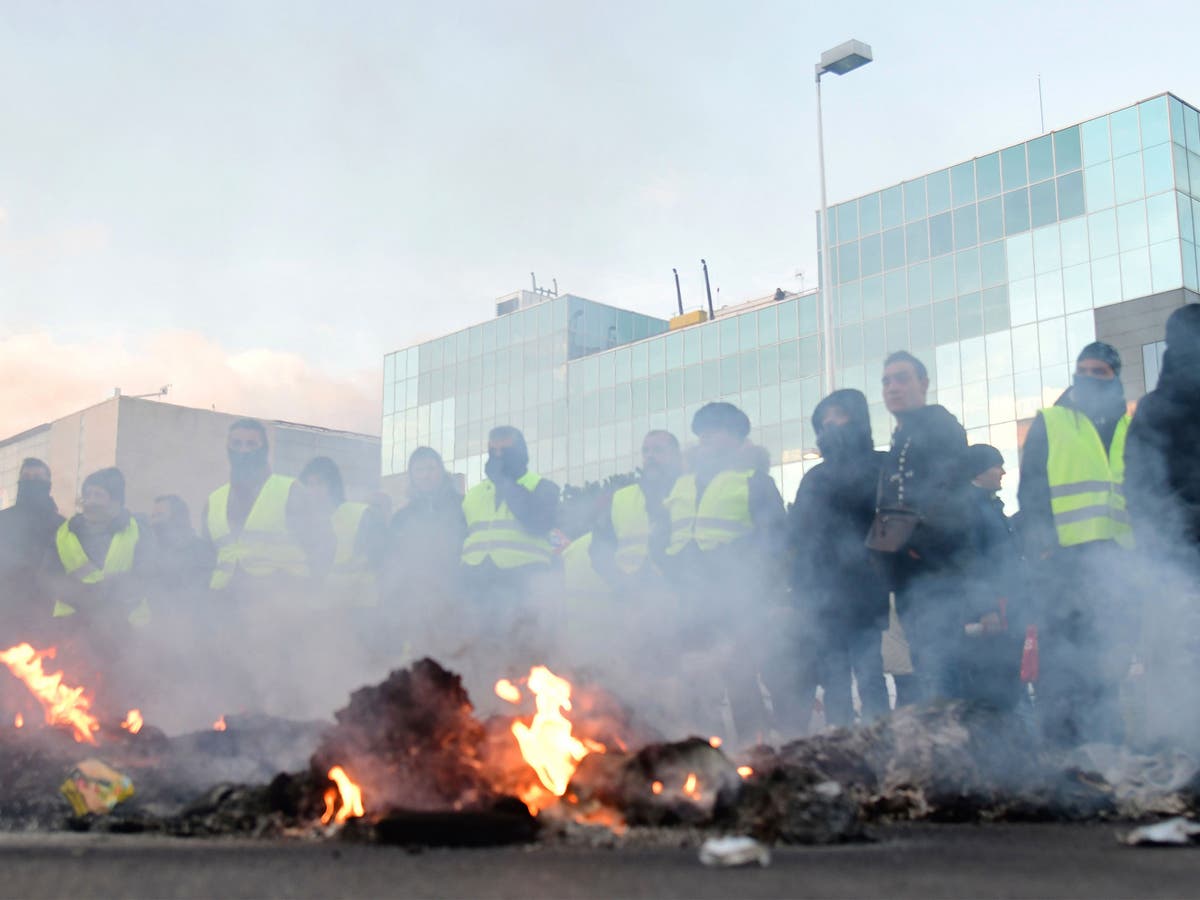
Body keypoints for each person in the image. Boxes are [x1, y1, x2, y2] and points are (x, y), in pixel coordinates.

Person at [1017, 342, 1134, 747]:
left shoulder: (1129, 426)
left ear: (1115, 377)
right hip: (1063, 564)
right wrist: (1043, 552)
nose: (1088, 378)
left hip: (1117, 562)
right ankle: (1061, 749)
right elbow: (1031, 492)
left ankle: (1106, 743)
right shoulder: (1051, 422)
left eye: (1099, 372)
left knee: (1109, 659)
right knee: (1061, 661)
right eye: (1082, 370)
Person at [658, 402, 789, 740]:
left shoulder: (755, 481)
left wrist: (751, 581)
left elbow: (775, 540)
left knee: (740, 676)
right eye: (702, 431)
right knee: (693, 681)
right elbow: (664, 537)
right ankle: (700, 752)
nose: (705, 437)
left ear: (736, 438)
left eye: (715, 430)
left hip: (736, 598)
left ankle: (753, 749)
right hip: (687, 599)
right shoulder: (682, 485)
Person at [875, 351, 972, 705]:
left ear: (924, 384)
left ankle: (949, 734)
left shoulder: (940, 428)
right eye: (886, 381)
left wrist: (919, 546)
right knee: (924, 665)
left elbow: (949, 497)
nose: (892, 387)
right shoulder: (901, 437)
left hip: (937, 572)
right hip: (909, 575)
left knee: (939, 668)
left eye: (902, 378)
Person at [788, 389, 889, 728]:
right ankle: (839, 742)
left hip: (866, 594)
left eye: (838, 416)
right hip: (823, 598)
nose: (830, 425)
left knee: (870, 675)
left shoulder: (881, 466)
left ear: (857, 418)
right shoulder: (814, 478)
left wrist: (878, 568)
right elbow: (798, 538)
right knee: (834, 679)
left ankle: (880, 740)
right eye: (823, 422)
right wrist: (800, 590)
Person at [45, 467, 154, 718]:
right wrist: (83, 595)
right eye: (88, 494)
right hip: (74, 627)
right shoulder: (64, 533)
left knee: (120, 694)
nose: (91, 501)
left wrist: (113, 594)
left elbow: (149, 572)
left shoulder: (138, 530)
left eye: (99, 495)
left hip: (124, 625)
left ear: (115, 501)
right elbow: (48, 576)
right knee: (78, 697)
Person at [201, 418, 334, 595]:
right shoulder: (214, 500)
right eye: (236, 444)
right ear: (228, 448)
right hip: (224, 598)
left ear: (264, 449)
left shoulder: (290, 491)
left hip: (280, 598)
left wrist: (306, 594)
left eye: (251, 444)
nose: (243, 450)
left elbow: (323, 545)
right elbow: (207, 556)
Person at [460, 426, 559, 602]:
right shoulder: (473, 495)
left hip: (526, 583)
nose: (498, 456)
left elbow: (537, 523)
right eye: (493, 451)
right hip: (477, 586)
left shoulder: (543, 488)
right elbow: (460, 538)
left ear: (520, 453)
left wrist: (504, 482)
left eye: (505, 451)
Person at [960, 444, 1024, 711]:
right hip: (991, 612)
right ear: (979, 471)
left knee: (1010, 683)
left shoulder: (991, 506)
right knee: (995, 687)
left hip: (1006, 607)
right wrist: (986, 609)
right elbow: (972, 562)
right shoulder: (971, 509)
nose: (1003, 472)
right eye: (997, 466)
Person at [590, 430, 683, 595]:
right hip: (633, 599)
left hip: (683, 596)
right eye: (645, 451)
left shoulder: (689, 489)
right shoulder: (621, 498)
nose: (650, 456)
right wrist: (621, 583)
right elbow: (599, 550)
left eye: (658, 450)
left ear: (676, 456)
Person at [299, 456, 388, 609]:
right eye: (309, 484)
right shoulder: (301, 523)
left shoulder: (360, 516)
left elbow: (384, 565)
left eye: (320, 483)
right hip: (318, 611)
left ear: (334, 486)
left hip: (358, 610)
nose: (313, 490)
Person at [389, 447, 466, 600]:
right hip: (416, 597)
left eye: (431, 468)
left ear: (442, 471)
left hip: (458, 593)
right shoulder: (402, 518)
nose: (426, 475)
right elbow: (394, 560)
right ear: (412, 476)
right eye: (419, 470)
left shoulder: (464, 506)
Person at [0, 458, 64, 642]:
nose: (31, 481)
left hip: (44, 609)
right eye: (26, 477)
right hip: (5, 607)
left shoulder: (62, 526)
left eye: (37, 478)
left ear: (48, 484)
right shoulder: (3, 520)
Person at [149, 494, 214, 593]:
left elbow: (201, 594)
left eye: (160, 515)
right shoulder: (152, 553)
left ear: (177, 518)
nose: (154, 521)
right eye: (153, 517)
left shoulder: (201, 552)